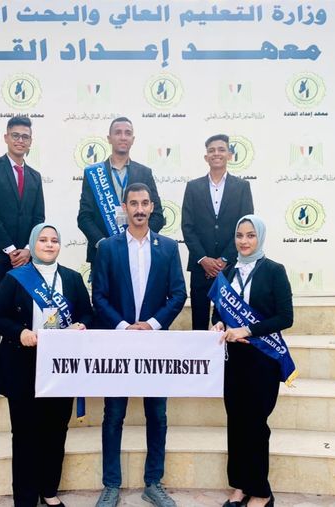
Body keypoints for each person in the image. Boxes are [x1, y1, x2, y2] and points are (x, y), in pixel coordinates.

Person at [92, 183, 187, 507]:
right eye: (133, 203)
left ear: (152, 207)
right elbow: (99, 296)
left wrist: (151, 324)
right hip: (118, 344)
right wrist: (124, 327)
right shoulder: (108, 247)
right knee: (113, 416)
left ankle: (153, 483)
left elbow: (178, 293)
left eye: (145, 203)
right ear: (125, 208)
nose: (139, 209)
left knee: (157, 416)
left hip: (154, 345)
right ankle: (111, 486)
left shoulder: (168, 247)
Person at [0, 223, 93, 507]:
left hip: (60, 366)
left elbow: (87, 313)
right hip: (23, 364)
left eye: (54, 240)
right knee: (25, 434)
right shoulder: (15, 278)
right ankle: (25, 498)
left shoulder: (72, 278)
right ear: (33, 244)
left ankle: (49, 490)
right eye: (43, 240)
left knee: (56, 431)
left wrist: (81, 325)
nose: (49, 245)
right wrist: (20, 332)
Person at [210, 215, 294, 507]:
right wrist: (219, 324)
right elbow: (219, 311)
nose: (244, 241)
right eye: (239, 235)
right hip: (234, 360)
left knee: (256, 425)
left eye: (250, 235)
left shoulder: (274, 271)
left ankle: (261, 491)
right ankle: (239, 486)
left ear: (260, 237)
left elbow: (285, 317)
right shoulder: (229, 271)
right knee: (236, 422)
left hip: (263, 359)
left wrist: (247, 329)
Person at [0, 116, 45, 399]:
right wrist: (10, 249)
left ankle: (13, 374)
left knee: (19, 316)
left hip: (26, 259)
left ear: (30, 142)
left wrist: (28, 249)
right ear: (6, 137)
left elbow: (39, 218)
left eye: (25, 136)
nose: (20, 140)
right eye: (15, 135)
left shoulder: (35, 177)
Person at [181, 134, 254, 331]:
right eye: (211, 150)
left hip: (230, 266)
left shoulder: (242, 187)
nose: (216, 154)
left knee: (227, 320)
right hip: (200, 267)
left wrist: (224, 259)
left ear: (229, 155)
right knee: (199, 321)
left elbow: (245, 227)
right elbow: (187, 227)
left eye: (221, 149)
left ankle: (227, 351)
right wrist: (203, 259)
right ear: (206, 157)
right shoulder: (193, 187)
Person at [77, 117, 165, 267]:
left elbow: (157, 216)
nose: (123, 137)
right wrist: (104, 245)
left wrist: (138, 240)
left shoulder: (144, 173)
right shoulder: (93, 173)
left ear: (133, 139)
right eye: (118, 133)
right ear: (109, 138)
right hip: (102, 255)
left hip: (139, 254)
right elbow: (84, 217)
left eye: (127, 133)